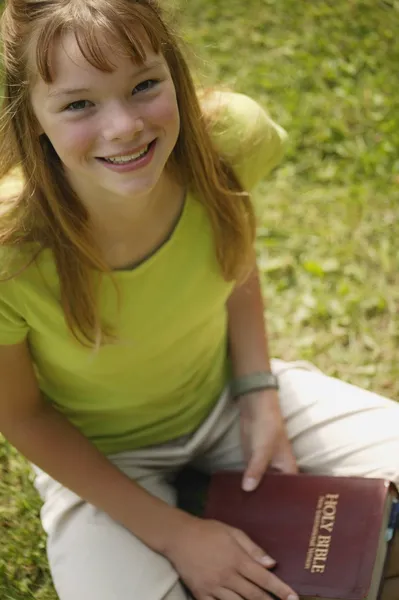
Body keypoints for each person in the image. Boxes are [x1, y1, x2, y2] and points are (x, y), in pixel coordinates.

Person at [0, 0, 398, 599]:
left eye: (143, 86)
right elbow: (22, 415)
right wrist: (176, 535)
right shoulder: (10, 249)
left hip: (227, 401)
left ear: (175, 74)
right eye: (80, 103)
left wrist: (258, 390)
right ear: (31, 116)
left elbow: (231, 255)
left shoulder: (228, 137)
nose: (125, 126)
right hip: (104, 462)